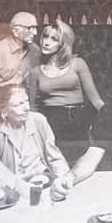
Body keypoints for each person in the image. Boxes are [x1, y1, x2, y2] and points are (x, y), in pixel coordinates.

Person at [0, 84, 72, 205]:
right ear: (4, 111)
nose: (26, 108)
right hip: (15, 192)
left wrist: (62, 180)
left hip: (45, 183)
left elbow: (55, 157)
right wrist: (22, 188)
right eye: (19, 104)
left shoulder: (38, 121)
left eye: (26, 101)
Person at [31, 19, 104, 155]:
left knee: (78, 162)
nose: (46, 42)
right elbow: (33, 109)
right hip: (50, 122)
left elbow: (96, 101)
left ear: (63, 43)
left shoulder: (77, 64)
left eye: (54, 39)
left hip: (77, 121)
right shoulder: (36, 72)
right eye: (45, 36)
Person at [0, 11, 37, 125]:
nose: (35, 32)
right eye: (30, 28)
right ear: (15, 30)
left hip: (24, 110)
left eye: (35, 28)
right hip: (2, 112)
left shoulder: (35, 51)